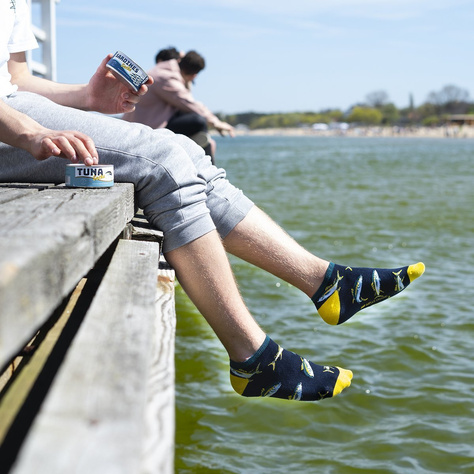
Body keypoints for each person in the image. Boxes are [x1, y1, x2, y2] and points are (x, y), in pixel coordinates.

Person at [1, 1, 425, 403]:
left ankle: (327, 282)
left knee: (183, 150)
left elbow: (15, 79)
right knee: (163, 161)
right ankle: (253, 358)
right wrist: (25, 131)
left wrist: (85, 97)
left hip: (14, 108)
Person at [124, 50, 235, 164]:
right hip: (146, 130)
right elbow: (189, 103)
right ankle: (209, 172)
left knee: (197, 126)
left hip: (148, 123)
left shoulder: (164, 70)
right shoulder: (167, 77)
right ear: (194, 76)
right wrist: (216, 123)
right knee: (198, 121)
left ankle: (201, 155)